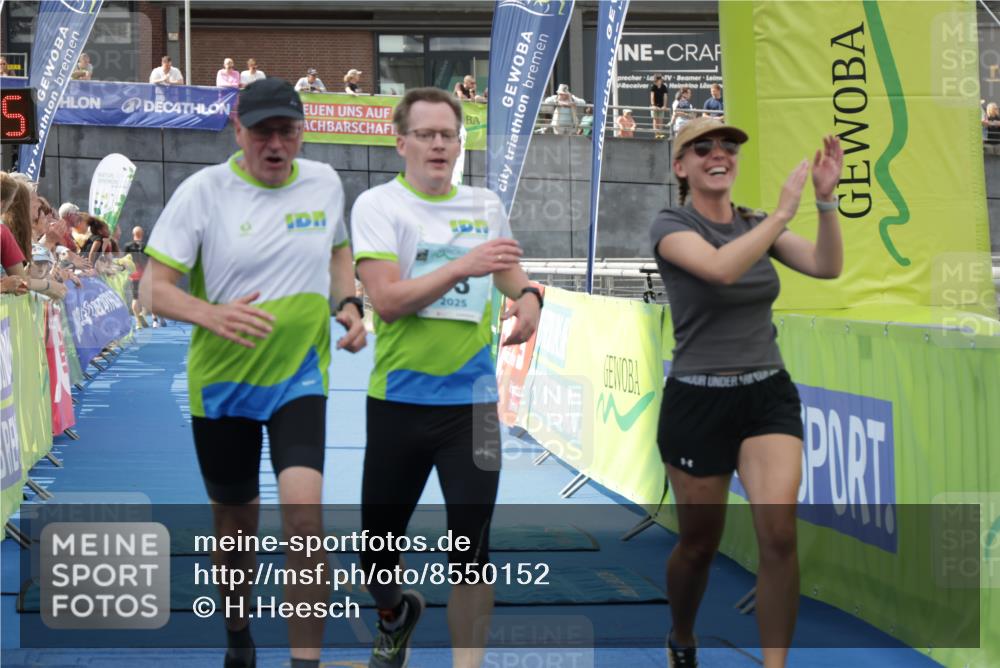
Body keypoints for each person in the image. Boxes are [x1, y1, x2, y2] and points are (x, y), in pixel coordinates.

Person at [140, 77, 366, 668]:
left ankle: (304, 663)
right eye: (261, 130)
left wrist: (348, 303)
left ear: (301, 132)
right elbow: (152, 291)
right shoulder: (203, 193)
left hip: (299, 379)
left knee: (304, 520)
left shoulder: (324, 183)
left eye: (286, 130)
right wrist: (210, 313)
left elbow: (339, 250)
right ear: (237, 130)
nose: (274, 143)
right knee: (235, 524)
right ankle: (238, 630)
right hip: (222, 388)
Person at [351, 87, 541, 668]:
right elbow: (385, 301)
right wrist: (462, 264)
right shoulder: (378, 206)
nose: (439, 144)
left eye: (449, 135)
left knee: (472, 552)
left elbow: (511, 277)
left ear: (460, 144)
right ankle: (396, 612)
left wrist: (530, 298)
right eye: (427, 134)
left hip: (476, 409)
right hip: (399, 403)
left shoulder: (484, 205)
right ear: (400, 140)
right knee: (375, 557)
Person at [650, 117, 843, 668]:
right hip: (697, 400)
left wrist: (824, 204)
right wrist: (783, 213)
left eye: (729, 146)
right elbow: (718, 271)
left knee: (779, 534)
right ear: (680, 166)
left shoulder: (756, 222)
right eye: (703, 147)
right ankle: (682, 637)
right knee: (699, 546)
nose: (720, 154)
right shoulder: (669, 224)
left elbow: (827, 267)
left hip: (767, 395)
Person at [122, 226, 151, 328]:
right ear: (142, 234)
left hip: (134, 275)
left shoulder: (127, 246)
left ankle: (138, 321)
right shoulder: (145, 246)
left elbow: (125, 261)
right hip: (144, 274)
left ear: (133, 234)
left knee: (135, 298)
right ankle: (142, 314)